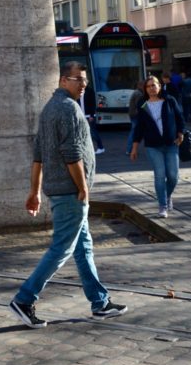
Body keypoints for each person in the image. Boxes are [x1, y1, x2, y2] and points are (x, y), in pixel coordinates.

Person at [9, 62, 128, 328]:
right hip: (70, 192)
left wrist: (34, 192)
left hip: (59, 190)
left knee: (83, 247)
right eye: (78, 80)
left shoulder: (49, 109)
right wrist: (83, 187)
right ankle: (24, 299)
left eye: (85, 81)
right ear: (64, 80)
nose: (83, 85)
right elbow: (71, 153)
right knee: (62, 248)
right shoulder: (68, 109)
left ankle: (100, 303)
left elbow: (39, 155)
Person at [130, 75, 185, 218]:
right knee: (160, 175)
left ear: (159, 86)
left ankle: (167, 195)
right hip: (153, 146)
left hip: (171, 144)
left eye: (154, 85)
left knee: (173, 176)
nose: (152, 88)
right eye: (149, 86)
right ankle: (163, 205)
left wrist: (181, 134)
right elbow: (139, 127)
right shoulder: (142, 104)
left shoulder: (169, 100)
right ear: (145, 89)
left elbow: (180, 118)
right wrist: (134, 147)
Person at [126, 80, 145, 155]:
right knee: (134, 132)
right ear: (140, 86)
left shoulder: (136, 92)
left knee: (134, 132)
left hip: (133, 114)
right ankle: (129, 149)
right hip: (136, 115)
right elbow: (140, 105)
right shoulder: (138, 94)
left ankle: (130, 149)